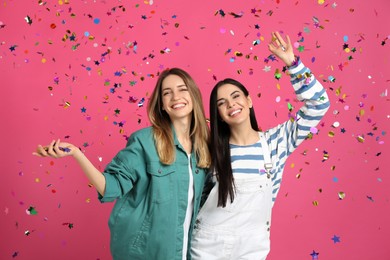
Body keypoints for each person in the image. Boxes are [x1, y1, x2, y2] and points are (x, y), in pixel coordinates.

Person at [33, 68, 211, 260]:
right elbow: (110, 186)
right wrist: (77, 154)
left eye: (182, 89)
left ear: (193, 95)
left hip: (183, 252)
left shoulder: (205, 147)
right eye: (167, 93)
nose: (176, 97)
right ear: (162, 105)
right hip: (145, 254)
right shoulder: (144, 141)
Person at [190, 31, 331, 260]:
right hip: (206, 246)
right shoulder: (210, 150)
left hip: (251, 247)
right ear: (219, 115)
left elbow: (319, 104)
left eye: (236, 97)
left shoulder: (277, 141)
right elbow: (195, 198)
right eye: (222, 103)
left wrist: (292, 64)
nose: (231, 105)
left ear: (249, 100)